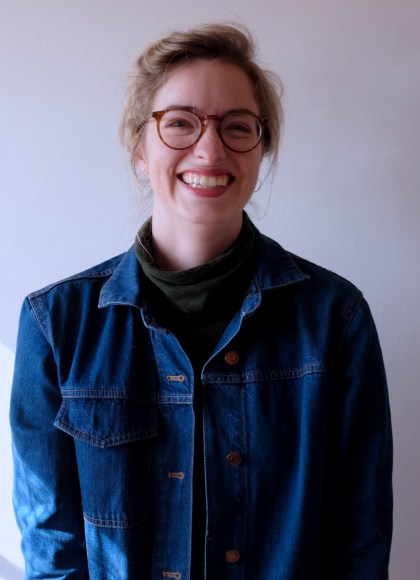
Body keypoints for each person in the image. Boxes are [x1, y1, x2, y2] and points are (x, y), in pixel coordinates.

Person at [10, 22, 392, 579]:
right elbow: (52, 548)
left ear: (261, 150)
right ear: (139, 146)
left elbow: (360, 539)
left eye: (237, 126)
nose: (210, 149)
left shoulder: (336, 317)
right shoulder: (56, 324)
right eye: (180, 123)